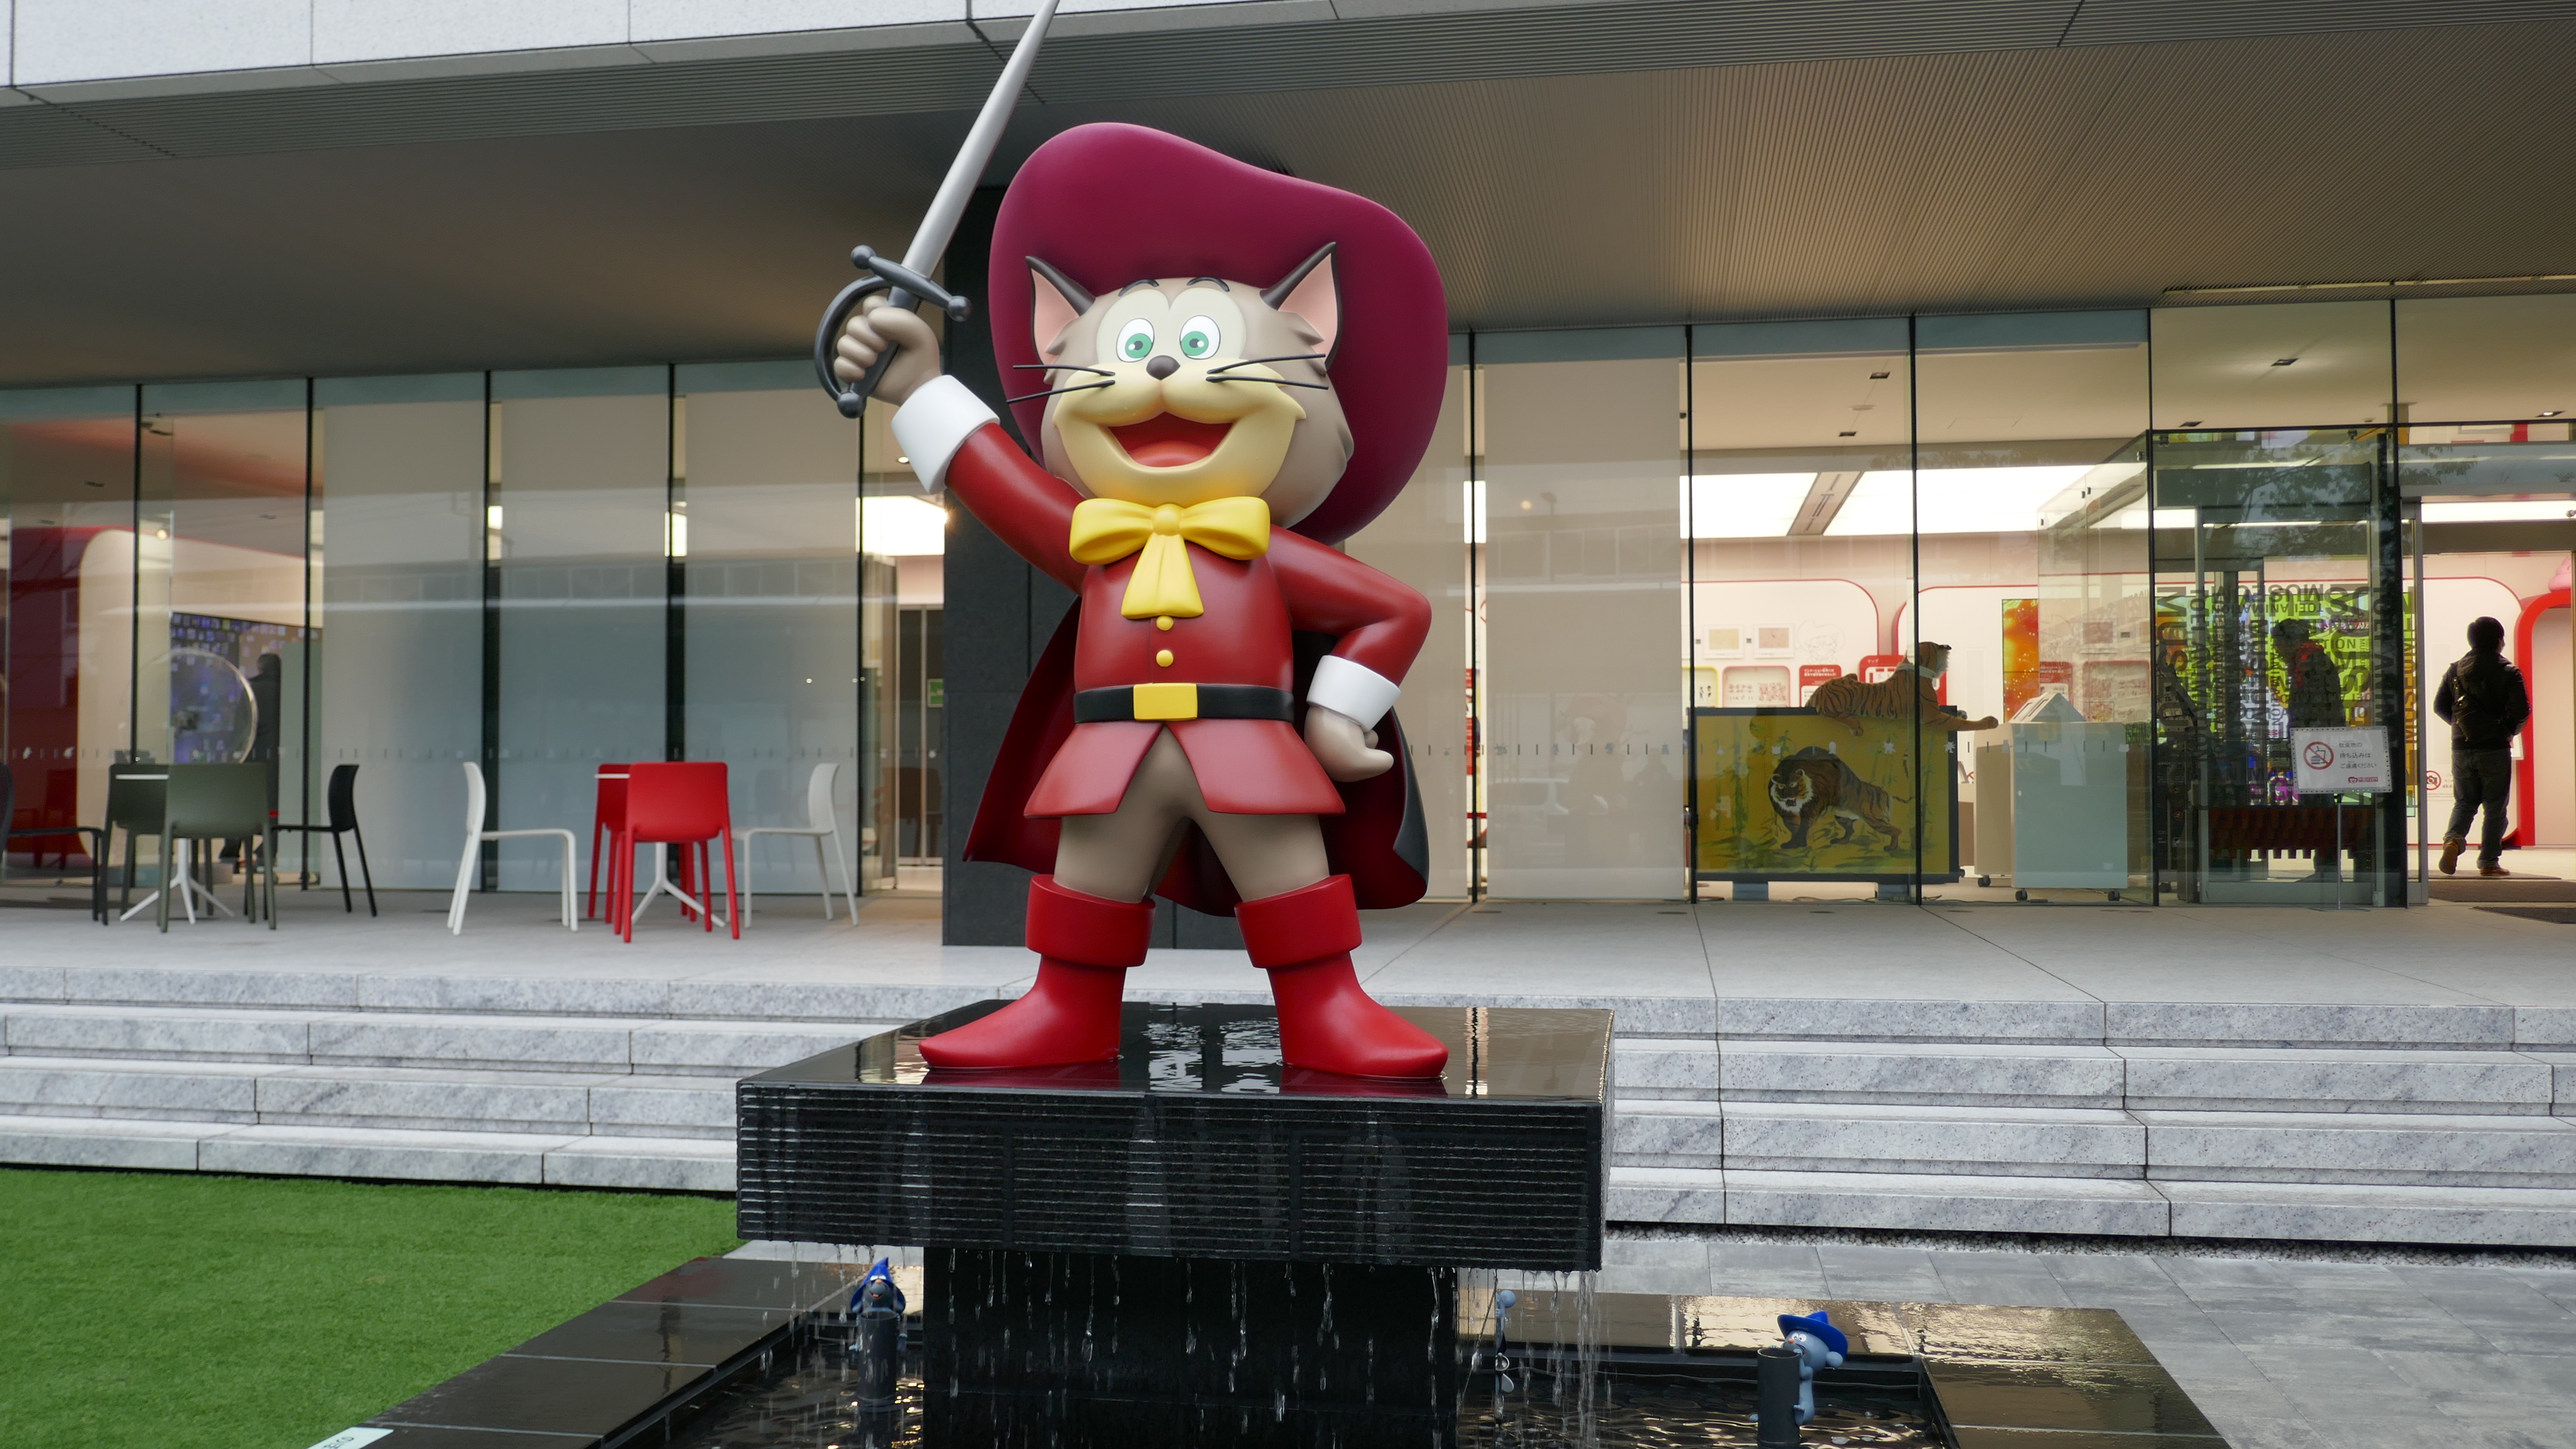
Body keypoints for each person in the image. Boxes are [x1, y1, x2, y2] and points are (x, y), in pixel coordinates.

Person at [2434, 616, 2531, 877]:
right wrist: (2505, 732)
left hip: (2461, 748)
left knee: (2464, 802)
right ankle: (2489, 862)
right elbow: (2522, 711)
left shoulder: (2455, 670)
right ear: (2499, 641)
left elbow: (2439, 706)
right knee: (2495, 807)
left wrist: (2463, 727)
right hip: (2494, 747)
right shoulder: (2508, 671)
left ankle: (2453, 841)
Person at [2272, 619, 2347, 879]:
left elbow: (2314, 709)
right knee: (2316, 806)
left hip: (2316, 749)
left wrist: (2304, 740)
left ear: (2292, 641)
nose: (2277, 649)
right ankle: (2324, 868)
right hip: (2314, 746)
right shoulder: (2307, 662)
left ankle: (2327, 869)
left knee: (2320, 808)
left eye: (2278, 643)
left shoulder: (2310, 663)